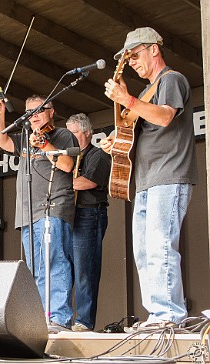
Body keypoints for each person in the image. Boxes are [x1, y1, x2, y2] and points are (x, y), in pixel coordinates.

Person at [102, 27, 197, 329]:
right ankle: (158, 313)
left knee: (160, 248)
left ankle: (169, 315)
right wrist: (115, 140)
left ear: (154, 49)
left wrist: (126, 98)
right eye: (127, 59)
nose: (131, 62)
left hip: (168, 175)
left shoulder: (171, 80)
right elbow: (135, 131)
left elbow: (165, 116)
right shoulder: (145, 92)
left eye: (134, 55)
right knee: (144, 253)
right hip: (145, 181)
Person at [0, 95, 78, 330]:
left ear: (52, 112)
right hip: (27, 213)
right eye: (30, 112)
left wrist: (44, 145)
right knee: (35, 270)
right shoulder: (25, 139)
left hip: (53, 207)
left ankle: (59, 318)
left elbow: (67, 166)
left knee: (56, 262)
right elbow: (1, 140)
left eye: (41, 110)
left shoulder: (62, 135)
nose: (35, 115)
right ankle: (42, 319)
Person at [66, 113, 111, 332]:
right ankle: (62, 318)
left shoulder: (98, 154)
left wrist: (62, 185)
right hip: (69, 216)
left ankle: (84, 321)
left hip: (89, 215)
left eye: (74, 133)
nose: (71, 138)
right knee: (66, 269)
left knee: (86, 269)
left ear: (87, 133)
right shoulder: (69, 159)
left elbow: (88, 182)